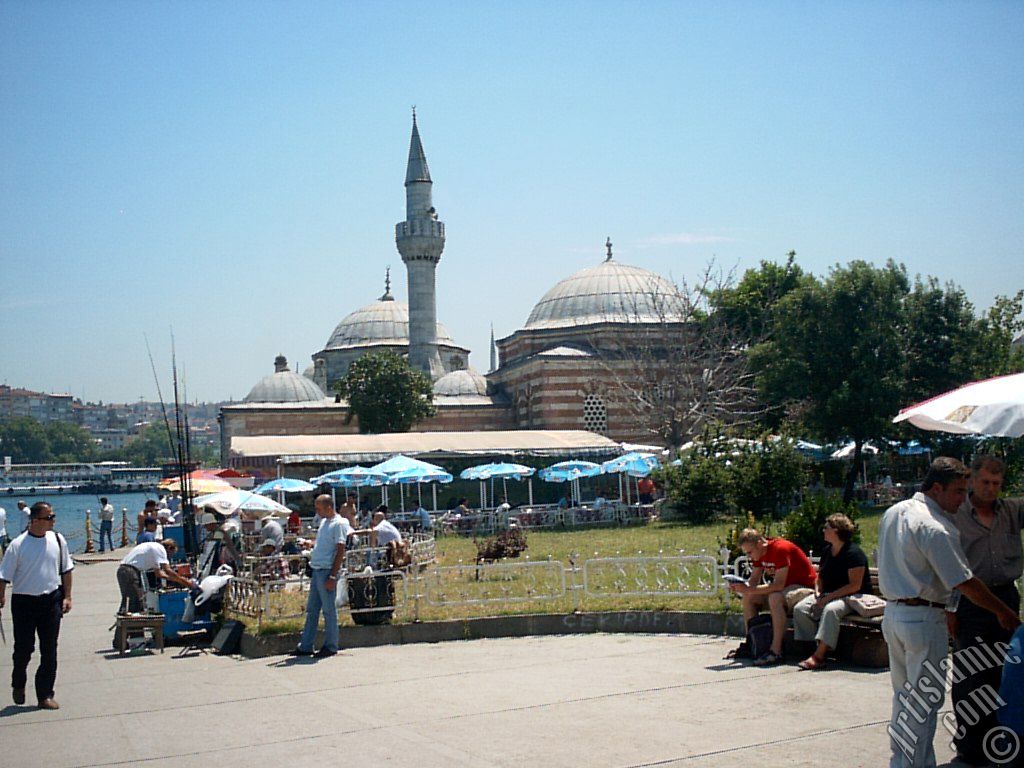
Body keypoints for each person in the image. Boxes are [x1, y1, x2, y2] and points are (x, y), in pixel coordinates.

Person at [877, 457, 1020, 768]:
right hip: (924, 616)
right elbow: (964, 581)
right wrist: (1004, 612)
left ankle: (901, 761)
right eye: (957, 492)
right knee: (924, 702)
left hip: (894, 614)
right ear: (937, 488)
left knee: (904, 697)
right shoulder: (936, 527)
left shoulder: (894, 512)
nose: (961, 499)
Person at [946, 455, 1024, 766]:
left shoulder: (1013, 511)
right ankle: (970, 746)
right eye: (984, 482)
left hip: (1005, 597)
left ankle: (1002, 741)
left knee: (1007, 674)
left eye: (996, 483)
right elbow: (949, 569)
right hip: (970, 600)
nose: (990, 489)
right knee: (971, 674)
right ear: (972, 480)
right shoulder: (956, 514)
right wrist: (950, 610)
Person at [0, 501, 73, 710]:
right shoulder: (17, 545)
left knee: (49, 649)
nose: (53, 521)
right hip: (24, 601)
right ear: (35, 520)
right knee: (24, 649)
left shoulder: (58, 540)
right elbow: (4, 576)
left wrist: (67, 596)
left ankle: (45, 694)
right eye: (49, 517)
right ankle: (18, 683)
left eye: (53, 516)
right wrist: (1, 597)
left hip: (51, 599)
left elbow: (66, 570)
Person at [792, 513, 872, 670]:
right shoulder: (827, 551)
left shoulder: (854, 554)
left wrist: (829, 598)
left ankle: (819, 656)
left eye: (826, 528)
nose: (823, 530)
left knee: (830, 610)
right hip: (828, 594)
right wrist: (817, 592)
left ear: (836, 530)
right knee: (800, 609)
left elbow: (855, 585)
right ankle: (812, 647)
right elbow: (820, 577)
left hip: (851, 597)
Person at [728, 528, 816, 666]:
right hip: (785, 590)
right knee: (749, 598)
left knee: (775, 597)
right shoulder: (760, 554)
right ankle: (753, 643)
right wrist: (741, 588)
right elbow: (754, 581)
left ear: (759, 544)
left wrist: (750, 589)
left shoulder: (780, 549)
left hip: (803, 587)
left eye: (750, 552)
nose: (749, 557)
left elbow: (778, 585)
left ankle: (776, 651)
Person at [292, 495, 346, 659]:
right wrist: (311, 544)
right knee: (312, 610)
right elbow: (324, 543)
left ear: (328, 507)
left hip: (326, 570)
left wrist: (332, 575)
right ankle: (306, 645)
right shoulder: (324, 523)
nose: (317, 511)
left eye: (319, 508)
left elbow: (340, 550)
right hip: (317, 569)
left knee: (329, 610)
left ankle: (331, 645)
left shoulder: (339, 524)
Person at [117, 538, 194, 614]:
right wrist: (185, 582)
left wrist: (175, 579)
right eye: (171, 553)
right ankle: (132, 625)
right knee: (135, 601)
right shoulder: (160, 549)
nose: (170, 557)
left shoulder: (154, 549)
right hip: (130, 572)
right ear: (169, 548)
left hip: (124, 571)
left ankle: (123, 622)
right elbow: (167, 570)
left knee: (129, 600)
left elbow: (159, 574)